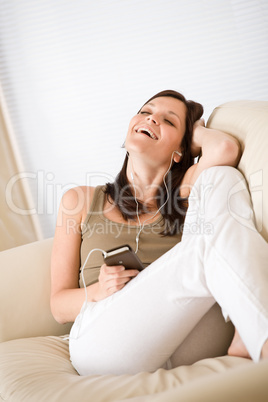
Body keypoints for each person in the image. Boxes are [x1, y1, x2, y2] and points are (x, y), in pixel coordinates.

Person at [50, 90, 268, 376]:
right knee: (205, 245)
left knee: (221, 177)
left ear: (180, 150)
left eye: (168, 121)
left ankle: (251, 327)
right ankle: (256, 330)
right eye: (145, 111)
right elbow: (58, 306)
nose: (151, 118)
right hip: (106, 342)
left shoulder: (185, 193)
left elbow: (225, 149)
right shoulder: (79, 200)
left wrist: (197, 131)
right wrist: (100, 290)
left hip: (185, 334)